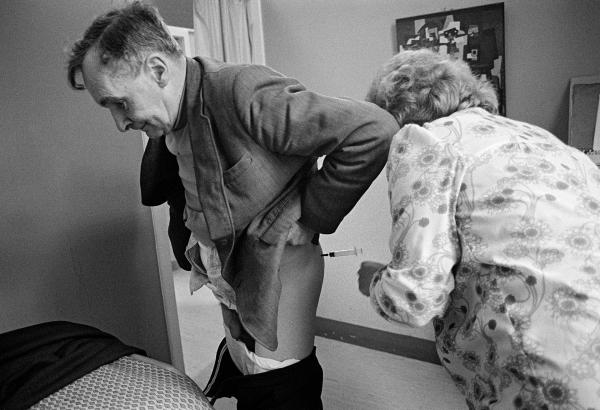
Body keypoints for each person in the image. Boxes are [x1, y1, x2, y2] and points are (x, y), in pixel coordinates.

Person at [66, 2, 398, 409]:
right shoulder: (173, 118)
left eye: (120, 103)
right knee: (244, 365)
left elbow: (374, 131)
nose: (120, 122)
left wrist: (313, 216)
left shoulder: (242, 90)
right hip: (227, 265)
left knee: (280, 386)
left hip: (277, 264)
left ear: (157, 70)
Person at [361, 48, 600, 409]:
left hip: (548, 365)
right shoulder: (549, 143)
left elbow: (415, 297)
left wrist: (376, 282)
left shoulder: (422, 140)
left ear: (392, 114)